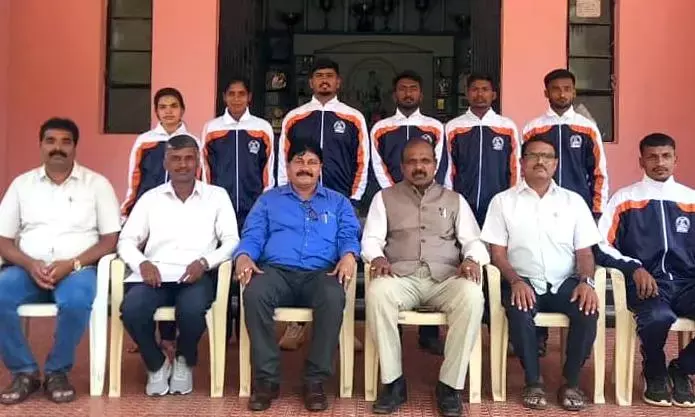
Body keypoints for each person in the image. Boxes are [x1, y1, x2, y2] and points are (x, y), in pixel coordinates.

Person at [362, 138, 489, 417]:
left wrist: (471, 259)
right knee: (378, 293)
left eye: (425, 161)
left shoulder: (454, 200)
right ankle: (393, 383)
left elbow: (474, 241)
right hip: (401, 278)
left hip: (445, 279)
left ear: (435, 165)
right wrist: (377, 257)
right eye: (412, 161)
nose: (419, 167)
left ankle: (450, 386)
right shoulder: (384, 198)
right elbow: (371, 239)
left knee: (471, 296)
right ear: (402, 166)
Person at [0, 118, 121, 404]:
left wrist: (72, 264)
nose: (58, 148)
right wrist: (29, 264)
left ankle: (57, 371)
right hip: (27, 269)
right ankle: (24, 371)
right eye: (51, 141)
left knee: (77, 300)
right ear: (41, 145)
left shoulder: (97, 185)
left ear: (75, 147)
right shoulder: (22, 185)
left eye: (66, 142)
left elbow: (110, 240)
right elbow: (3, 239)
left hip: (78, 270)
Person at [235, 139, 360, 412]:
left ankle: (315, 380)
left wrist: (349, 254)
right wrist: (244, 255)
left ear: (320, 167)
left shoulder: (338, 202)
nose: (305, 167)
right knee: (255, 293)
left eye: (312, 162)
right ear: (288, 167)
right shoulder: (269, 200)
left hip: (321, 273)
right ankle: (267, 379)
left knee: (333, 296)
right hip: (276, 272)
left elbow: (349, 235)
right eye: (299, 162)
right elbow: (253, 234)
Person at [480, 136, 601, 411]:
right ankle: (533, 381)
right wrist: (515, 281)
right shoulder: (503, 202)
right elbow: (497, 254)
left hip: (564, 282)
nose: (540, 161)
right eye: (533, 156)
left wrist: (586, 281)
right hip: (522, 280)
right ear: (522, 163)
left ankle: (571, 382)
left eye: (547, 157)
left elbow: (584, 252)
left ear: (555, 164)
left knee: (588, 309)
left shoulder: (573, 202)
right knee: (519, 308)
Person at [118, 134, 239, 396]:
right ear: (165, 163)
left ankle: (185, 360)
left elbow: (232, 240)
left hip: (196, 274)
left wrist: (205, 262)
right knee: (132, 310)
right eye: (175, 158)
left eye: (188, 158)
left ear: (198, 161)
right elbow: (126, 240)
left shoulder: (216, 196)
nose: (182, 164)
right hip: (155, 275)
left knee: (192, 310)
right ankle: (156, 363)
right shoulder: (150, 198)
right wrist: (142, 263)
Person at [595, 133, 695, 408]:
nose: (659, 162)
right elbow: (601, 245)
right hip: (647, 285)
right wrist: (634, 267)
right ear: (642, 161)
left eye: (665, 156)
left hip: (688, 283)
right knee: (658, 317)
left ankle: (682, 368)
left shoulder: (690, 199)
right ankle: (654, 369)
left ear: (675, 159)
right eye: (652, 157)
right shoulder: (625, 199)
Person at [276, 58, 369, 350]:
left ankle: (342, 327)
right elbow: (283, 160)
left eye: (330, 76)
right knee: (301, 257)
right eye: (319, 76)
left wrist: (353, 199)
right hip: (299, 200)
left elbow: (362, 160)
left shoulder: (353, 117)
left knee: (340, 260)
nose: (324, 80)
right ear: (311, 82)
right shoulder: (295, 118)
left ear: (338, 81)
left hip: (340, 202)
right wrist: (285, 197)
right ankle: (296, 325)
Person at [522, 68, 608, 355]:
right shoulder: (533, 128)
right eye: (556, 89)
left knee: (573, 269)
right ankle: (537, 336)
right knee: (538, 265)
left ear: (574, 92)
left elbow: (599, 173)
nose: (561, 94)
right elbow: (521, 169)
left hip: (576, 213)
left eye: (567, 88)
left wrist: (597, 212)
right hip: (537, 207)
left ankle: (577, 338)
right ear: (546, 92)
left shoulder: (587, 128)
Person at [370, 70, 451, 356]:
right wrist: (394, 193)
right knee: (397, 252)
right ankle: (395, 327)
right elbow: (377, 163)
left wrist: (432, 192)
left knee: (431, 256)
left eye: (413, 88)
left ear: (421, 94)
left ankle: (429, 335)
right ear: (395, 94)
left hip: (430, 198)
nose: (408, 93)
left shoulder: (435, 127)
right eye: (403, 89)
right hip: (393, 200)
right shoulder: (381, 128)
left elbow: (439, 163)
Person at [121, 87, 196, 354]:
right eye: (163, 107)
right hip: (148, 215)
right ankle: (141, 330)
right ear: (156, 111)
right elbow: (134, 179)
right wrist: (127, 213)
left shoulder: (192, 141)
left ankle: (168, 336)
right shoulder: (145, 142)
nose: (168, 112)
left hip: (180, 216)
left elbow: (202, 179)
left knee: (173, 272)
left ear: (182, 109)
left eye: (174, 106)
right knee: (143, 273)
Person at [202, 77, 275, 341]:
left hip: (252, 210)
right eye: (231, 94)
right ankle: (222, 327)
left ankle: (247, 327)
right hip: (220, 211)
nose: (236, 99)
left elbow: (268, 170)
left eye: (241, 94)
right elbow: (206, 170)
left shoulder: (261, 128)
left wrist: (263, 206)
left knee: (249, 265)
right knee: (221, 266)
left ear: (249, 97)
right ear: (224, 97)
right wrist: (210, 205)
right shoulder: (212, 128)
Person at [445, 73, 520, 227]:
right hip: (462, 201)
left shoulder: (507, 126)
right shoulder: (454, 127)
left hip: (498, 202)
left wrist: (513, 198)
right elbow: (448, 167)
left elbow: (515, 167)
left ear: (494, 95)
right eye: (475, 89)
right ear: (467, 94)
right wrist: (449, 197)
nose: (479, 94)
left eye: (485, 89)